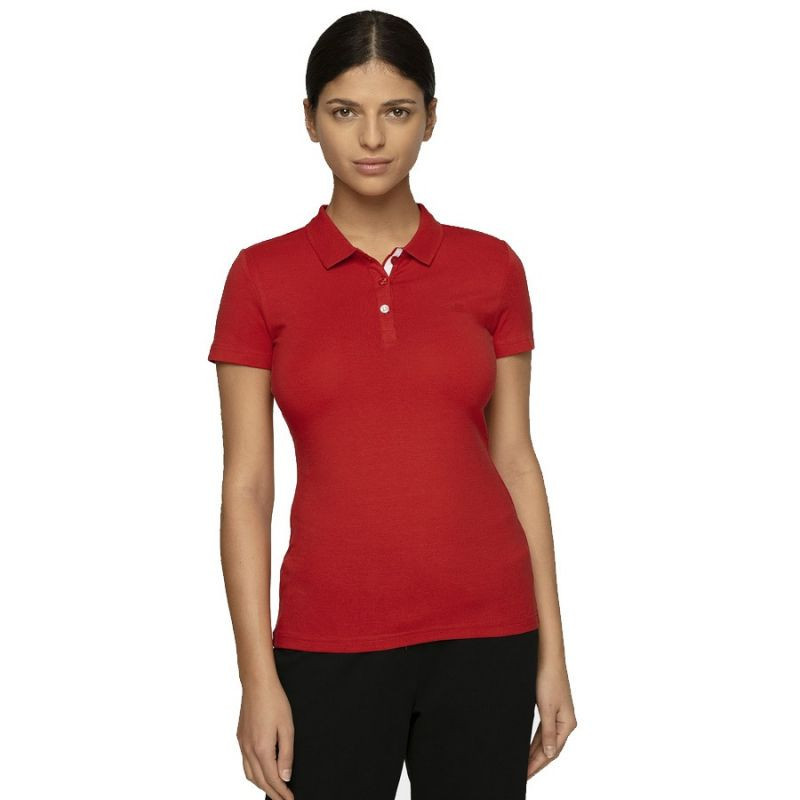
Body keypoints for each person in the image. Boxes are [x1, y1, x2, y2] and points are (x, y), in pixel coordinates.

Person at [208, 10, 577, 800]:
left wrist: (553, 654)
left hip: (489, 636)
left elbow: (515, 460)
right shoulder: (260, 278)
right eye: (345, 111)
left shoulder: (492, 268)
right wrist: (256, 678)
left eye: (398, 111)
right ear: (309, 119)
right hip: (327, 643)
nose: (372, 137)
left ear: (431, 119)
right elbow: (247, 488)